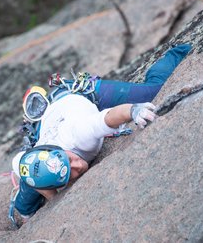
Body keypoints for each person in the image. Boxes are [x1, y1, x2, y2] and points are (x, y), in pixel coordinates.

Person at [10, 44, 191, 221]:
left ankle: (179, 49)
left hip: (77, 95)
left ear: (60, 151)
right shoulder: (35, 160)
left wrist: (134, 111)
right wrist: (52, 198)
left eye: (70, 160)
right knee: (25, 203)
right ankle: (32, 198)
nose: (79, 166)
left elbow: (108, 118)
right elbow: (17, 162)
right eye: (68, 173)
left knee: (152, 91)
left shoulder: (79, 136)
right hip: (45, 125)